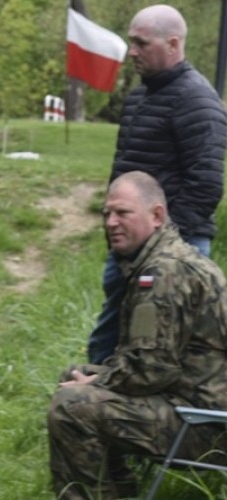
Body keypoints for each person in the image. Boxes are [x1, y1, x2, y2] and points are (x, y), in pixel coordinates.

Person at [48, 171, 227, 499]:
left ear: (156, 215)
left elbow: (151, 369)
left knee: (72, 405)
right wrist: (95, 380)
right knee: (77, 377)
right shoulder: (167, 259)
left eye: (122, 213)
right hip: (190, 404)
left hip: (206, 427)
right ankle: (120, 491)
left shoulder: (162, 273)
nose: (111, 222)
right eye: (106, 214)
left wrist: (96, 385)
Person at [87, 3, 227, 364]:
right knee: (111, 335)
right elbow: (124, 172)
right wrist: (118, 229)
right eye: (131, 42)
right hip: (129, 246)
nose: (131, 51)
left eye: (141, 43)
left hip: (178, 248)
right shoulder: (137, 99)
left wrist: (160, 248)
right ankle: (89, 407)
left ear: (173, 44)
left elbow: (206, 185)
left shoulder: (198, 100)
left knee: (172, 350)